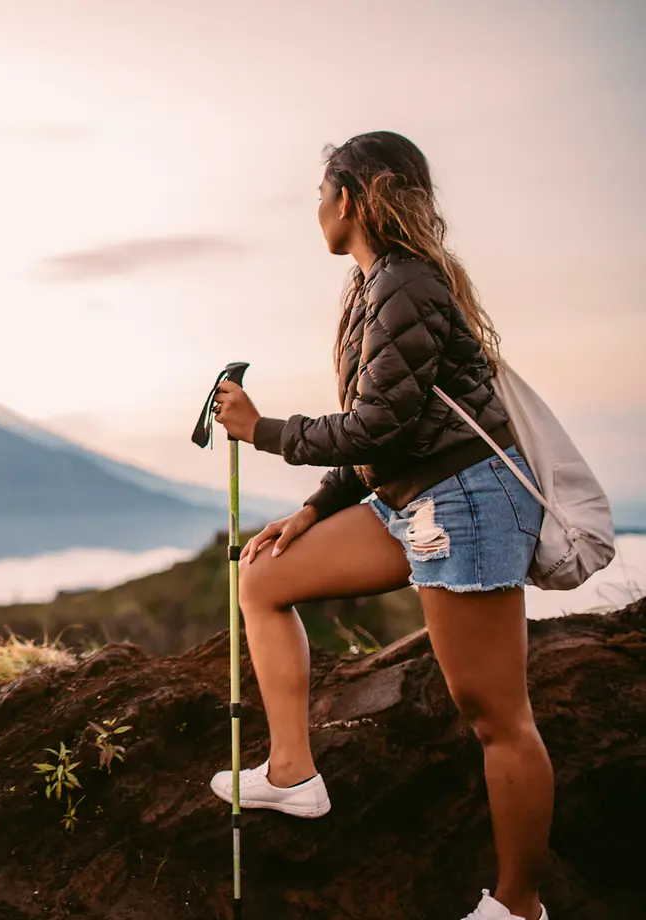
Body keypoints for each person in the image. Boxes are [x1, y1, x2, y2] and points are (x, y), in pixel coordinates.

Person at [209, 131, 553, 920]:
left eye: (319, 194)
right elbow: (386, 433)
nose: (315, 210)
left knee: (494, 715)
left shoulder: (407, 285)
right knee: (262, 576)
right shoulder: (371, 288)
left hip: (466, 498)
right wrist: (312, 509)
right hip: (408, 498)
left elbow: (378, 427)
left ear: (352, 199)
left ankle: (519, 906)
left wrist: (261, 430)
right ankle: (292, 773)